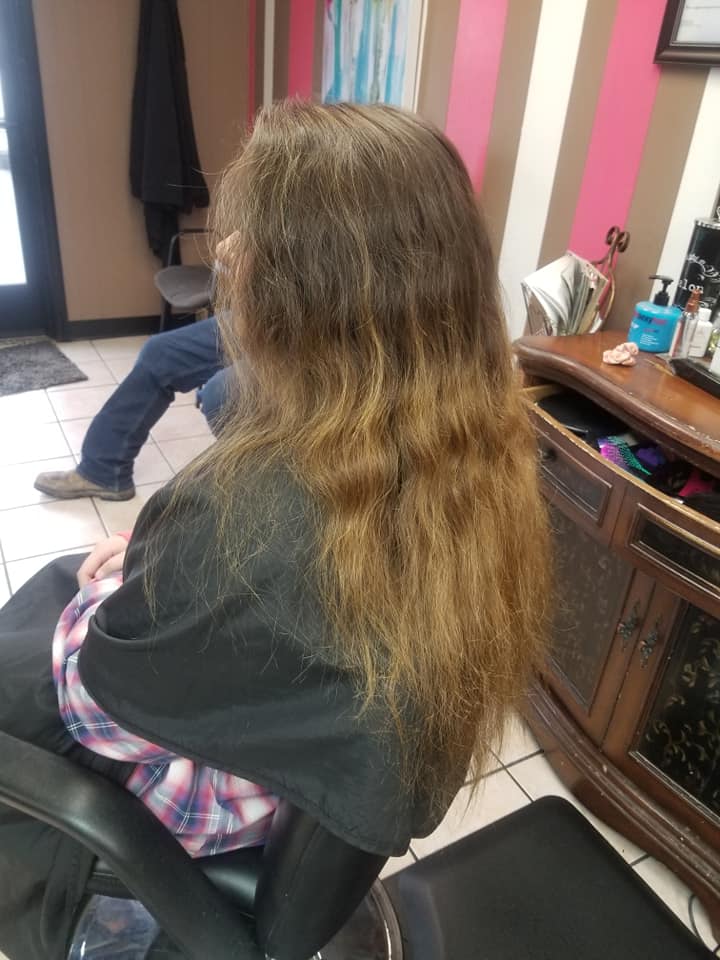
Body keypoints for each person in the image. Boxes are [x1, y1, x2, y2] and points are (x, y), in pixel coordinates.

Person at [0, 100, 551, 960]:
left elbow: (97, 716)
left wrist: (115, 589)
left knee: (51, 613)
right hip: (296, 774)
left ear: (315, 288)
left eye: (250, 238)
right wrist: (159, 567)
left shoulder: (242, 516)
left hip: (186, 827)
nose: (225, 253)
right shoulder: (484, 456)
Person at [34, 316, 234, 502]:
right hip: (250, 314)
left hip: (256, 346)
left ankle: (246, 486)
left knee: (220, 394)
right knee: (160, 352)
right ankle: (103, 470)